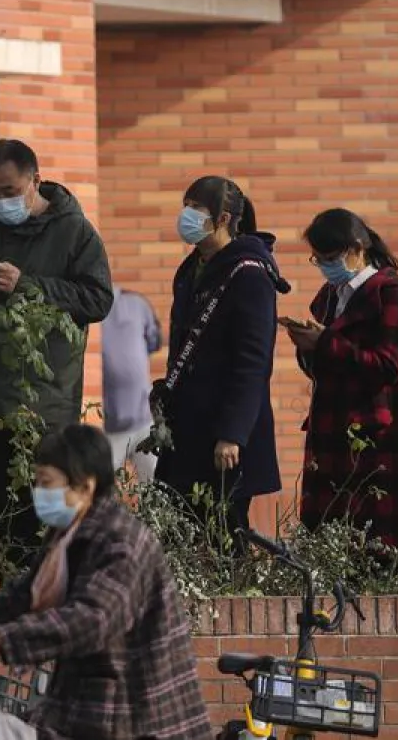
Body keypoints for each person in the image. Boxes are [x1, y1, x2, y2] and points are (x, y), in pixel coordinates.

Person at [0, 425, 211, 740]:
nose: (39, 493)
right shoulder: (69, 535)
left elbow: (93, 619)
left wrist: (0, 640)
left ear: (85, 486)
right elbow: (21, 597)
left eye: (47, 483)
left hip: (140, 718)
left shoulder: (120, 541)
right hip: (88, 711)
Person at [0, 139, 113, 579]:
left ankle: (47, 598)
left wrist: (29, 285)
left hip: (42, 406)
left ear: (36, 180)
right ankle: (14, 595)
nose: (1, 202)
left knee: (40, 514)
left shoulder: (75, 232)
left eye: (9, 191)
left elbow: (98, 299)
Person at [285, 209, 398, 563]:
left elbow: (389, 366)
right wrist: (307, 347)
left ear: (356, 249)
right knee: (326, 561)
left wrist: (325, 342)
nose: (326, 267)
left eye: (330, 258)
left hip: (375, 444)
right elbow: (324, 370)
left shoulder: (391, 294)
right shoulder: (330, 297)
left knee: (376, 557)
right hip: (329, 437)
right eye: (318, 259)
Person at [155, 176, 287, 538]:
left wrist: (233, 432)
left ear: (224, 217)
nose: (187, 215)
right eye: (187, 205)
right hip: (187, 423)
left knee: (223, 533)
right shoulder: (192, 268)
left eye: (197, 208)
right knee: (179, 531)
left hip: (224, 432)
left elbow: (253, 362)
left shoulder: (249, 274)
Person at [100, 285, 163, 483]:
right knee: (101, 495)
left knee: (156, 489)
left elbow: (155, 341)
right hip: (107, 430)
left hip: (143, 422)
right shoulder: (90, 308)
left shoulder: (137, 303)